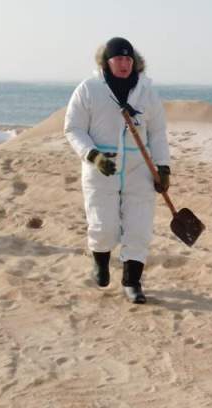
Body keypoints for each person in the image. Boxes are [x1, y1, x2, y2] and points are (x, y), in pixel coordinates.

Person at [64, 37, 170, 304]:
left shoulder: (146, 91)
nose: (124, 64)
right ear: (107, 61)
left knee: (139, 227)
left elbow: (158, 132)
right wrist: (93, 155)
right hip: (102, 166)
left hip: (139, 167)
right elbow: (73, 128)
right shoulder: (89, 89)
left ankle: (132, 282)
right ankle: (100, 261)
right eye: (118, 59)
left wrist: (163, 167)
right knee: (104, 226)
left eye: (128, 59)